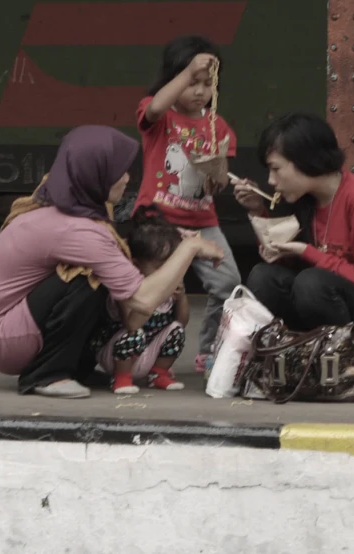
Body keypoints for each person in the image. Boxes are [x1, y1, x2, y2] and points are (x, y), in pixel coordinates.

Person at [0, 125, 225, 399]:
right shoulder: (78, 229)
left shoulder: (65, 195)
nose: (127, 178)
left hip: (8, 328)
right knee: (85, 281)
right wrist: (189, 247)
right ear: (96, 175)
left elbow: (112, 248)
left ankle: (74, 368)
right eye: (118, 171)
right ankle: (46, 374)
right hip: (3, 338)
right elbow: (142, 299)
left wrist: (174, 239)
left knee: (105, 276)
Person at [233, 112, 354, 396]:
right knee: (263, 276)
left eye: (276, 169)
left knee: (311, 283)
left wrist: (309, 252)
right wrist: (258, 210)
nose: (271, 180)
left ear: (306, 160)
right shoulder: (306, 201)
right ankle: (280, 362)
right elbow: (285, 267)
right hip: (328, 312)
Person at [133, 35, 240, 374]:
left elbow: (219, 181)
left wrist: (216, 176)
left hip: (202, 223)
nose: (199, 91)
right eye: (191, 82)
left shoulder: (218, 127)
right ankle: (131, 352)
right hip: (158, 220)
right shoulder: (161, 118)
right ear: (173, 79)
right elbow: (153, 108)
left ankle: (209, 351)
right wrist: (189, 69)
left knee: (228, 284)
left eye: (207, 84)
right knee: (150, 292)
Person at [90, 205, 190, 394]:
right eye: (161, 267)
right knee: (134, 334)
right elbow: (131, 324)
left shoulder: (170, 286)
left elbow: (182, 321)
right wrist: (156, 294)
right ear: (136, 265)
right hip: (116, 353)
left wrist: (182, 296)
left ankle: (158, 373)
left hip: (148, 351)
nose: (168, 273)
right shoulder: (127, 287)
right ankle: (121, 378)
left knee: (176, 330)